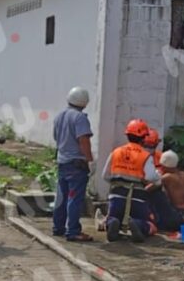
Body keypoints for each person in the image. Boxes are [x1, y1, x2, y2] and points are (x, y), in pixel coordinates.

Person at [102, 119, 157, 242]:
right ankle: (138, 224)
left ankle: (112, 223)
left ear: (127, 135)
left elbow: (105, 175)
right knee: (147, 223)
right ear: (144, 138)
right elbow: (152, 177)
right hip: (137, 198)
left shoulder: (116, 152)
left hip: (116, 196)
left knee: (112, 217)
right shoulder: (145, 155)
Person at [52, 87, 95, 242]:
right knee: (74, 198)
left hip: (62, 161)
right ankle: (73, 231)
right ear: (85, 102)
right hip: (76, 164)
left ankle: (58, 227)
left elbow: (56, 137)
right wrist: (89, 159)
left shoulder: (59, 116)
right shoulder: (80, 118)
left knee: (61, 197)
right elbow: (83, 140)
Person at [148, 150, 184, 232]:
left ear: (164, 166)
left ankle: (151, 221)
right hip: (183, 217)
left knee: (155, 193)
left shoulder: (167, 177)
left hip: (174, 217)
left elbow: (148, 189)